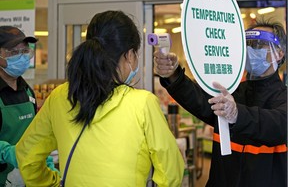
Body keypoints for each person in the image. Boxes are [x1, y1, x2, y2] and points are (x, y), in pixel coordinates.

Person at [15, 10, 184, 186]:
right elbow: (171, 172)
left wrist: (52, 183)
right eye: (136, 54)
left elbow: (26, 155)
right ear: (129, 55)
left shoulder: (60, 97)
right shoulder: (143, 103)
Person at [153, 19, 287, 187]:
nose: (250, 50)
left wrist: (238, 115)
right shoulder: (232, 91)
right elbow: (200, 100)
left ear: (279, 53)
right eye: (247, 44)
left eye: (259, 45)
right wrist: (173, 75)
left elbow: (280, 124)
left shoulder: (283, 98)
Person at [0, 26, 57, 187]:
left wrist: (47, 164)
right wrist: (8, 153)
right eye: (13, 52)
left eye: (25, 51)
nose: (22, 57)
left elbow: (36, 137)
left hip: (28, 179)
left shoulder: (28, 91)